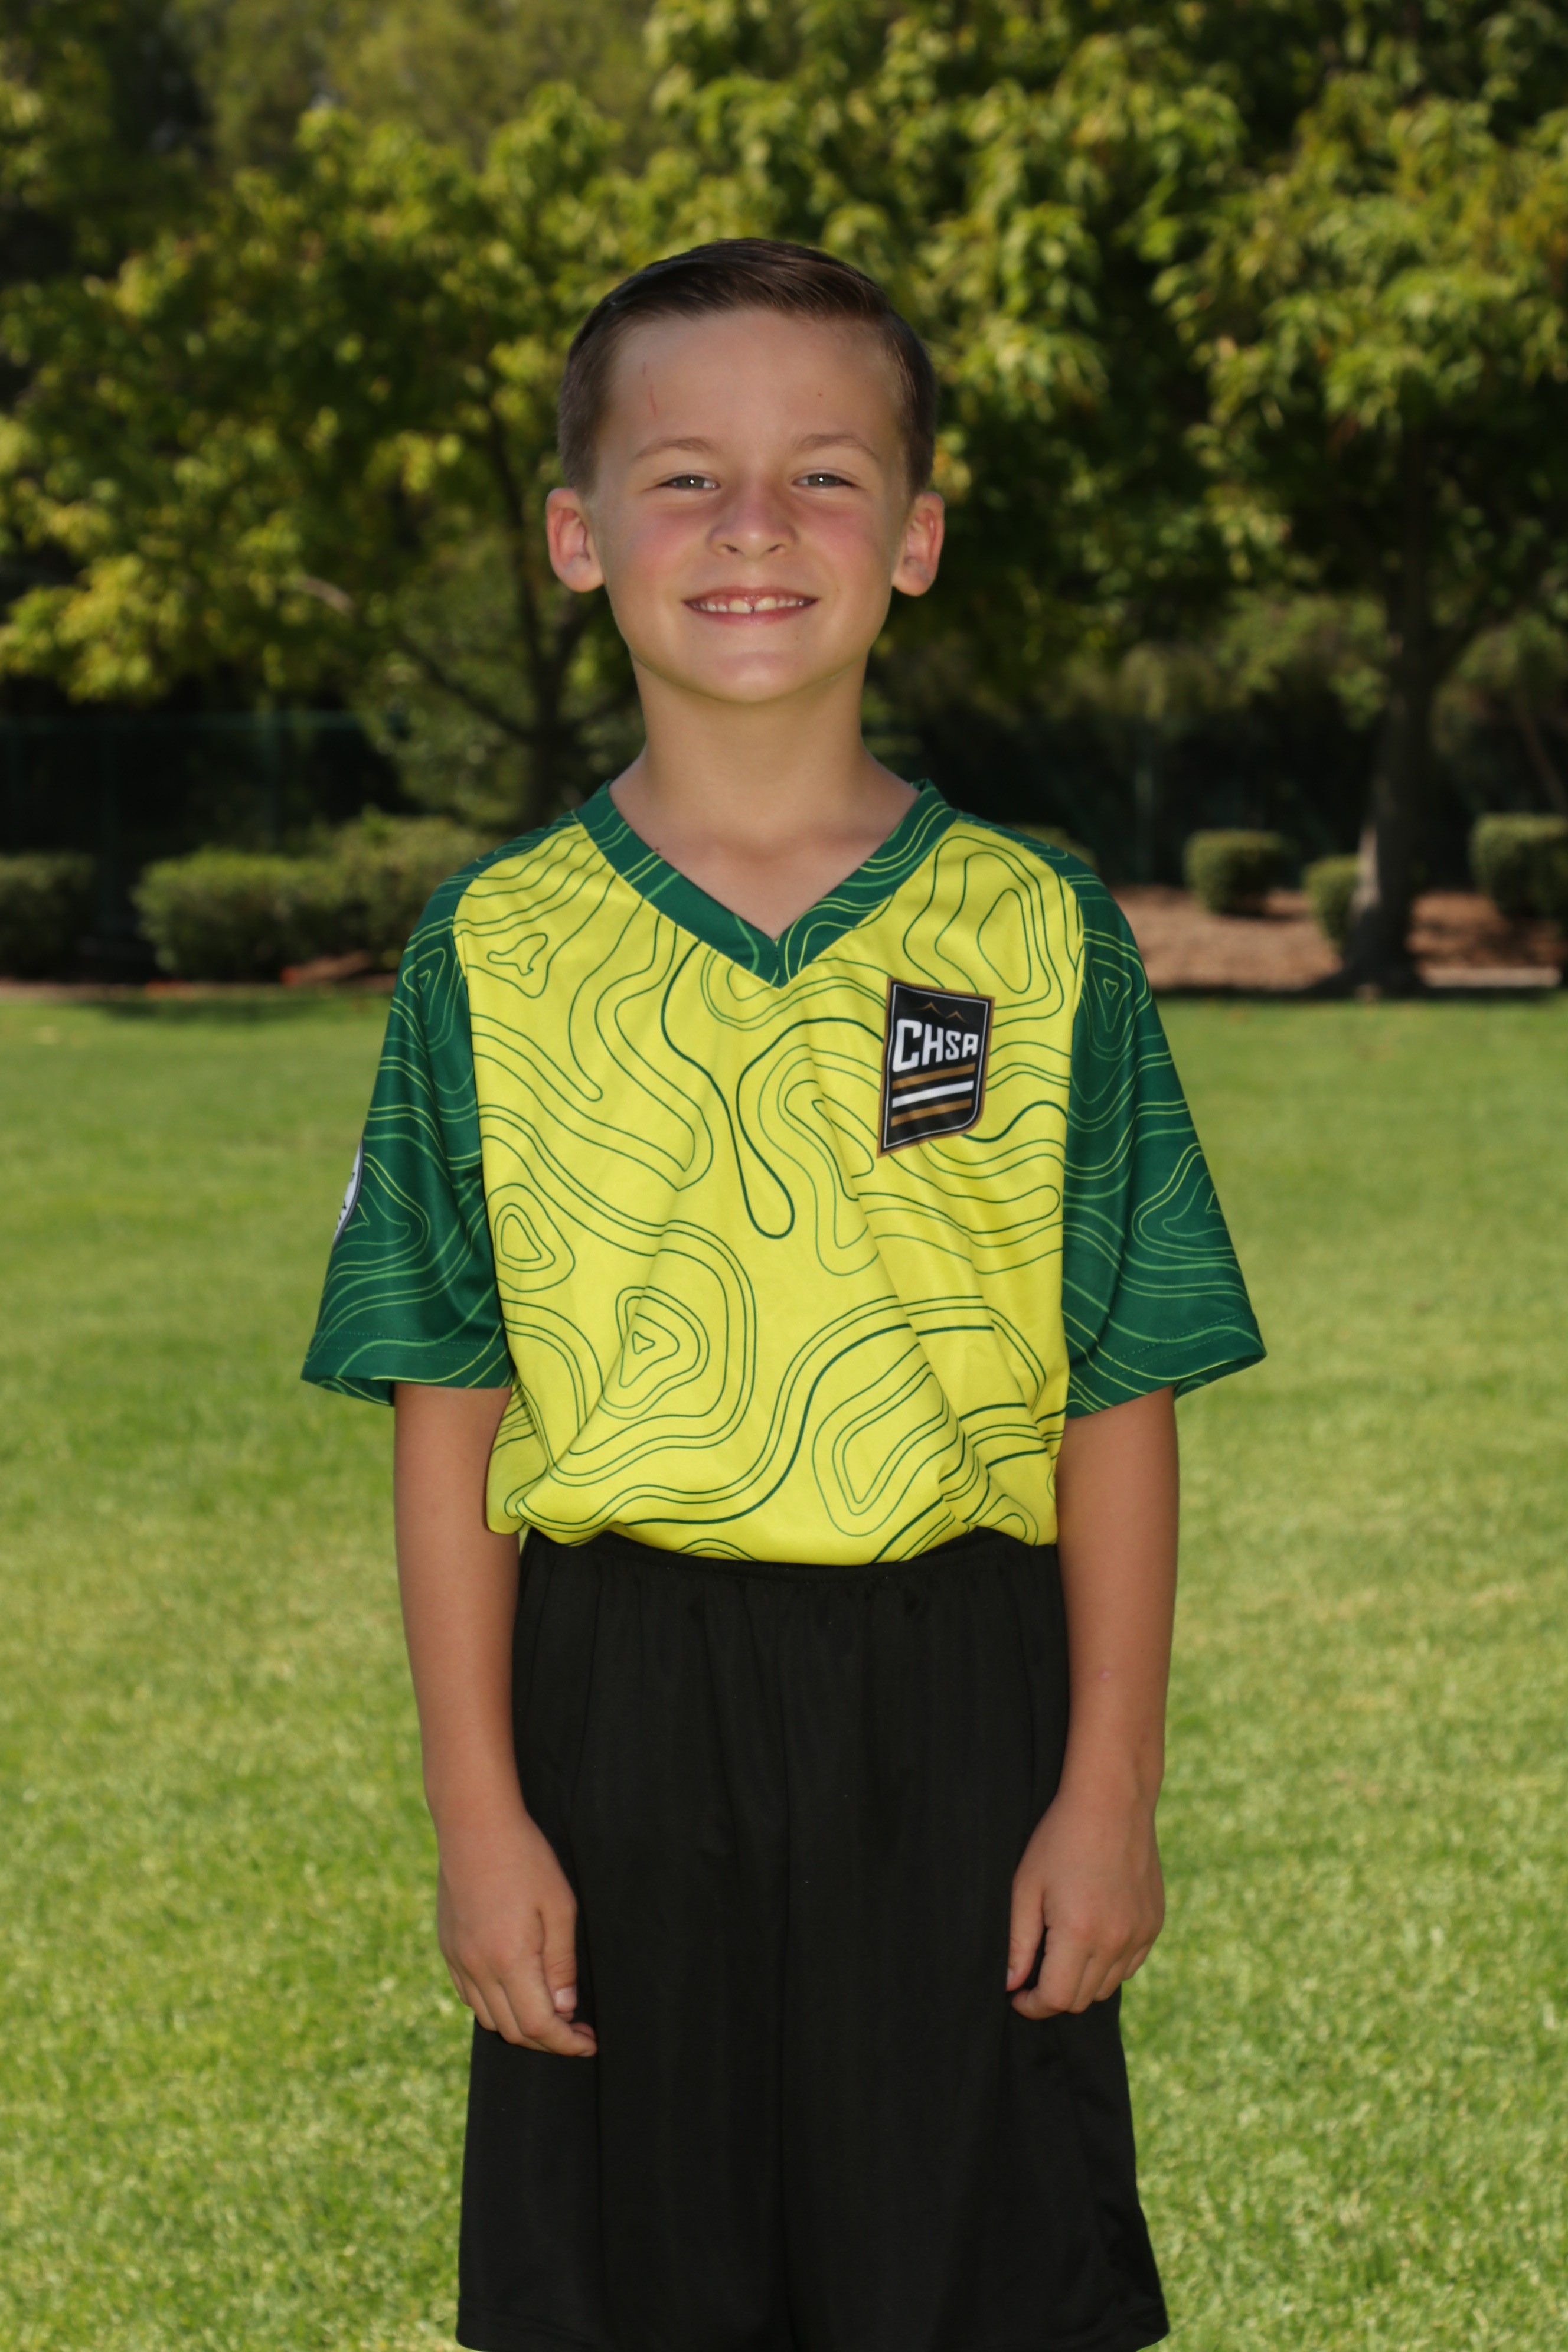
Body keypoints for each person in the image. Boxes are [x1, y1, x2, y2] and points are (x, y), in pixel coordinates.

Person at [303, 237, 1264, 2352]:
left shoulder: (1036, 931)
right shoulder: (490, 951)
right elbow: (448, 1398)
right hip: (616, 1703)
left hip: (965, 1694)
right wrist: (481, 1816)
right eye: (686, 478)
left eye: (825, 475)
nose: (755, 526)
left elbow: (1120, 1377)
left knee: (976, 2279)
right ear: (578, 535)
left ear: (915, 539)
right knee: (627, 2283)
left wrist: (1109, 1789)